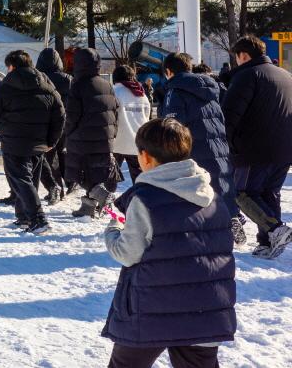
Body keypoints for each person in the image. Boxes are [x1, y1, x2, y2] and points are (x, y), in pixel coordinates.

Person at [101, 118, 236, 368]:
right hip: (205, 312)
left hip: (150, 311)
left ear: (146, 157)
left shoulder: (144, 199)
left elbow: (126, 253)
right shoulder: (211, 196)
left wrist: (114, 227)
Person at [0, 50, 65, 234]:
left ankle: (38, 219)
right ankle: (24, 216)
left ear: (12, 66)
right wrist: (52, 140)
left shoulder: (7, 87)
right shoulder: (47, 85)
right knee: (30, 180)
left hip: (14, 142)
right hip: (39, 142)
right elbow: (60, 115)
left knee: (22, 181)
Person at [221, 35, 292, 259]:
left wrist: (229, 144)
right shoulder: (285, 75)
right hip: (285, 147)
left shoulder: (247, 76)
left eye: (237, 58)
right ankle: (267, 243)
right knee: (270, 193)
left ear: (243, 55)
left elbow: (229, 116)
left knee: (244, 193)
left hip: (255, 148)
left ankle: (274, 229)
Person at [161, 52, 236, 227]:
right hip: (219, 145)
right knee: (221, 183)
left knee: (199, 190)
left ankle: (211, 226)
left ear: (169, 71)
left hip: (194, 149)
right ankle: (231, 217)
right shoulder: (212, 88)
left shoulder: (175, 91)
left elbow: (173, 126)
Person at [65, 47, 120, 218]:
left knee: (81, 173)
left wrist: (67, 133)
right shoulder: (107, 84)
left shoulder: (77, 85)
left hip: (82, 139)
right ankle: (88, 207)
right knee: (96, 172)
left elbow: (72, 115)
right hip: (105, 137)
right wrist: (112, 133)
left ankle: (103, 195)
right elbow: (116, 112)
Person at [33, 47, 72, 204]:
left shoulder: (39, 78)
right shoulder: (69, 78)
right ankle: (70, 182)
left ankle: (56, 189)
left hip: (44, 123)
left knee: (49, 158)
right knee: (63, 154)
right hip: (65, 121)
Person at [111, 64, 151, 183]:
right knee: (139, 179)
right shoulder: (142, 94)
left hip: (117, 143)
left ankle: (106, 201)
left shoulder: (114, 91)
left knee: (109, 178)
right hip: (137, 143)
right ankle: (138, 200)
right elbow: (147, 117)